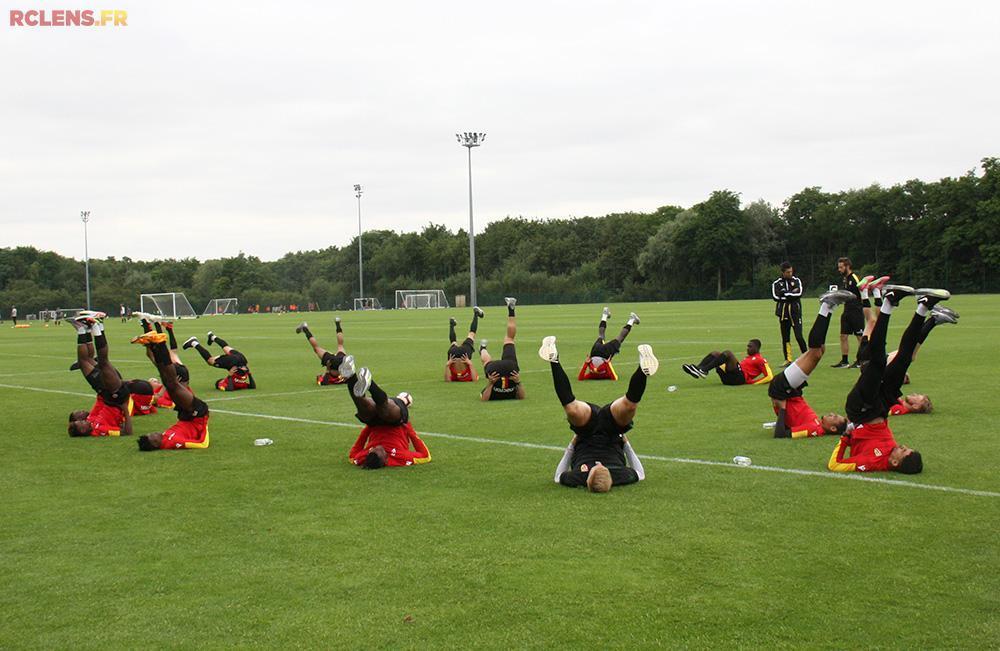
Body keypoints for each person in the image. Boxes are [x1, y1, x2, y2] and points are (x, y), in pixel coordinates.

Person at [827, 285, 951, 474]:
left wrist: (845, 437)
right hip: (882, 407)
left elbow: (835, 465)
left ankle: (888, 302)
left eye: (903, 451)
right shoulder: (891, 451)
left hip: (861, 409)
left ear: (894, 462)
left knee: (877, 362)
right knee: (904, 359)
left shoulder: (873, 463)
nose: (902, 446)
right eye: (906, 447)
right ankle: (924, 307)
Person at [540, 336, 657, 492]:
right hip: (612, 432)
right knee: (629, 406)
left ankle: (554, 359)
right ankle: (643, 367)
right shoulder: (620, 475)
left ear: (588, 479)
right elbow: (640, 474)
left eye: (594, 469)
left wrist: (573, 444)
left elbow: (558, 477)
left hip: (586, 432)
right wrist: (626, 443)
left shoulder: (578, 477)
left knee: (571, 409)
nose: (599, 465)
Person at [767, 289, 856, 438]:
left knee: (814, 353)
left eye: (834, 418)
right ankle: (830, 307)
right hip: (791, 391)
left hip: (781, 390)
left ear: (832, 429)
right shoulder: (817, 424)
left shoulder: (815, 429)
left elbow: (781, 434)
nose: (833, 413)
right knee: (820, 350)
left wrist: (782, 408)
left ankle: (826, 306)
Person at [337, 355, 430, 468]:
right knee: (385, 410)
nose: (377, 447)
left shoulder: (365, 457)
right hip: (395, 423)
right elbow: (425, 456)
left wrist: (368, 427)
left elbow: (352, 456)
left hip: (374, 424)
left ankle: (350, 376)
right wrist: (408, 427)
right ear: (385, 459)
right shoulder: (400, 458)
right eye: (379, 450)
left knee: (364, 408)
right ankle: (370, 384)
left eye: (373, 449)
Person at [131, 332, 211, 451]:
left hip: (185, 415)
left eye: (150, 434)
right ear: (155, 444)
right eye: (152, 436)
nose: (154, 433)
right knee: (171, 384)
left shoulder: (164, 437)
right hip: (197, 414)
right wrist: (205, 424)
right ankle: (160, 343)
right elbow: (202, 444)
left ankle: (155, 345)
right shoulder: (173, 443)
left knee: (168, 381)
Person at [65, 311, 134, 438]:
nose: (81, 420)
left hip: (105, 392)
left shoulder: (91, 421)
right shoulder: (100, 431)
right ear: (83, 431)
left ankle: (85, 329)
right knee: (103, 361)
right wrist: (124, 409)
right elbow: (127, 432)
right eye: (81, 424)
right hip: (116, 396)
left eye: (79, 420)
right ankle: (95, 326)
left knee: (85, 361)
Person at [479, 297, 525, 400]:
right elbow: (522, 397)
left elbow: (484, 399)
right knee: (487, 360)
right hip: (505, 369)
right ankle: (482, 348)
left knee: (509, 339)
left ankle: (482, 348)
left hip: (507, 368)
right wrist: (518, 381)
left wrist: (491, 383)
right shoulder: (513, 392)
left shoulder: (493, 392)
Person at [578, 307, 640, 381]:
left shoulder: (606, 375)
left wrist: (607, 363)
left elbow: (614, 378)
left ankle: (632, 319)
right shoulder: (590, 375)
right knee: (601, 335)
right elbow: (580, 378)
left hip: (605, 355)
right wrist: (586, 363)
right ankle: (604, 315)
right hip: (594, 353)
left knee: (620, 338)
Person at [183, 331, 256, 391]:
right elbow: (252, 387)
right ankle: (200, 341)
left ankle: (209, 338)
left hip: (240, 360)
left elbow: (229, 388)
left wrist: (229, 376)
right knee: (215, 356)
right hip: (237, 362)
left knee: (222, 351)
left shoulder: (222, 384)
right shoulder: (237, 382)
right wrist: (249, 373)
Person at [830, 257, 869, 368]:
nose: (839, 269)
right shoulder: (845, 279)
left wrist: (862, 306)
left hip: (856, 311)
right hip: (847, 310)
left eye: (841, 267)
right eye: (839, 267)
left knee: (860, 336)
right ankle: (844, 361)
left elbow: (861, 291)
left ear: (847, 266)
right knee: (843, 336)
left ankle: (861, 360)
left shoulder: (854, 278)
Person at [681, 339, 773, 386]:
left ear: (757, 348)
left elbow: (769, 376)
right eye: (747, 346)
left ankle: (704, 370)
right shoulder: (748, 358)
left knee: (728, 353)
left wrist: (754, 383)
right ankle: (698, 369)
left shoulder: (761, 359)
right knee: (715, 353)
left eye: (750, 346)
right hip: (728, 379)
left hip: (739, 379)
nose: (747, 348)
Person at [296, 317, 350, 385]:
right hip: (333, 363)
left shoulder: (344, 379)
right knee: (316, 348)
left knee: (340, 345)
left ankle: (337, 323)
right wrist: (327, 368)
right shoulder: (327, 380)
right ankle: (305, 328)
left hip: (342, 361)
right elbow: (321, 381)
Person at [771, 262, 806, 365]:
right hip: (783, 314)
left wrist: (785, 293)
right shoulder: (776, 283)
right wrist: (791, 294)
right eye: (788, 272)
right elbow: (775, 297)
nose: (790, 273)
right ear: (783, 272)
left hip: (795, 313)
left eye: (791, 271)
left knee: (799, 336)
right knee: (785, 337)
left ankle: (806, 356)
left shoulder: (796, 281)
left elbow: (799, 294)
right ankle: (788, 359)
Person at [445, 307, 484, 382]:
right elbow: (447, 380)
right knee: (453, 342)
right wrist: (448, 364)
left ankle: (476, 314)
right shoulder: (454, 377)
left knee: (471, 334)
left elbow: (475, 379)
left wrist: (470, 363)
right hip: (454, 355)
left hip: (464, 354)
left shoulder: (467, 377)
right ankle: (451, 324)